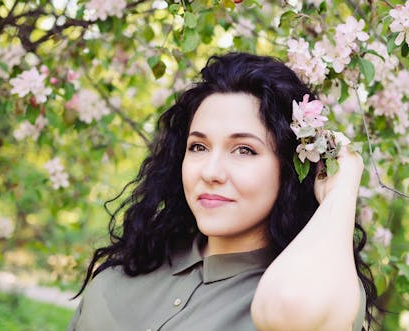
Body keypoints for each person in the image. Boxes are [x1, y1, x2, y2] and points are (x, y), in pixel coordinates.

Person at [67, 52, 378, 331]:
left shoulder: (322, 287)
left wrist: (341, 189)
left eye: (243, 150)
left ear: (290, 166)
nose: (211, 172)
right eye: (198, 146)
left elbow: (291, 306)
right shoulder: (127, 270)